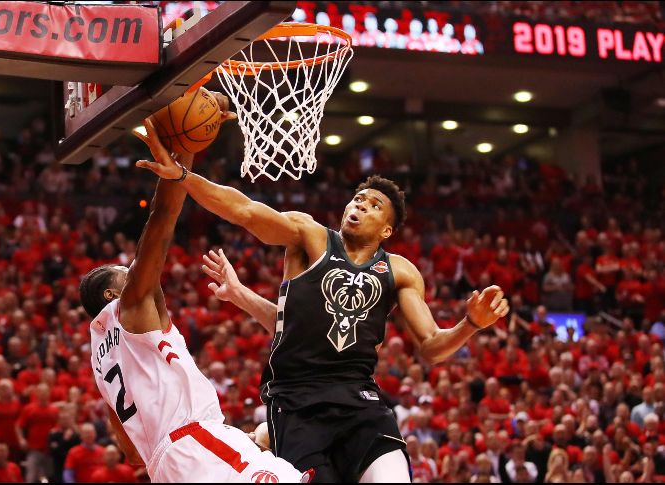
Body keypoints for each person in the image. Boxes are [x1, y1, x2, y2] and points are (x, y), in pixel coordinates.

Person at [142, 134, 509, 482]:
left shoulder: (399, 270)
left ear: (386, 231)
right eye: (358, 199)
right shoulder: (310, 236)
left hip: (359, 400)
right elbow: (246, 211)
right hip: (296, 402)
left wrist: (470, 324)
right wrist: (184, 177)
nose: (361, 205)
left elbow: (430, 344)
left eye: (374, 205)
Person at [79, 111, 306, 482]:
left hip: (165, 468)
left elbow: (132, 455)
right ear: (112, 292)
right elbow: (163, 217)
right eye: (126, 273)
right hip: (194, 442)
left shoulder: (101, 361)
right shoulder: (129, 307)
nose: (135, 273)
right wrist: (182, 153)